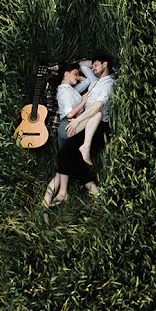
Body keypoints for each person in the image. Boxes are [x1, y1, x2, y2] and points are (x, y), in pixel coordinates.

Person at [42, 61, 102, 207]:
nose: (77, 76)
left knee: (65, 163)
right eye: (75, 73)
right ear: (65, 74)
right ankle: (87, 190)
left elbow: (89, 81)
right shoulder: (64, 90)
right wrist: (83, 101)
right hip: (67, 125)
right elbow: (70, 114)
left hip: (72, 126)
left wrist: (78, 78)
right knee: (96, 113)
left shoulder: (71, 88)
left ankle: (49, 199)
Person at [66, 54, 115, 166]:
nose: (93, 68)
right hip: (85, 118)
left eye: (96, 65)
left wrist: (77, 120)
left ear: (105, 64)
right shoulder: (95, 81)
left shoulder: (109, 83)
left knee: (97, 113)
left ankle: (85, 147)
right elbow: (82, 65)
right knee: (68, 136)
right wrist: (94, 62)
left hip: (98, 123)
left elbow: (98, 105)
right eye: (92, 66)